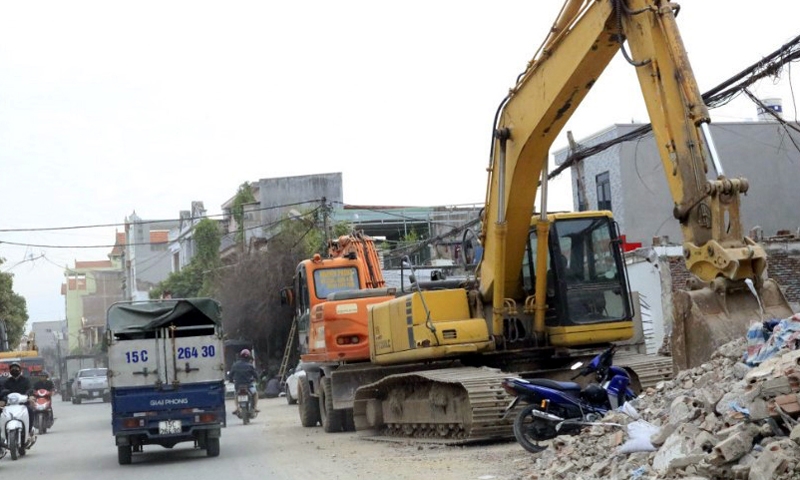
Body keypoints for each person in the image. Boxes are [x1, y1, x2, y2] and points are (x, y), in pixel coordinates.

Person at [3, 362, 35, 436]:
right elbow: (3, 391)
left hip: (23, 403)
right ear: (10, 370)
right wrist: (3, 399)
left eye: (16, 368)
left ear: (20, 370)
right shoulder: (6, 382)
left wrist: (28, 396)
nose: (14, 370)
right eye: (12, 368)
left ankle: (29, 430)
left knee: (30, 410)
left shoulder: (25, 380)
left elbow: (30, 389)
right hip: (9, 405)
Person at [228, 349, 259, 414]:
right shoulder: (250, 366)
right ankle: (255, 407)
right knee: (255, 393)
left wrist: (231, 380)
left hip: (238, 386)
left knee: (236, 394)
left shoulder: (235, 365)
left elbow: (230, 375)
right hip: (249, 385)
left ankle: (237, 408)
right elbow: (256, 375)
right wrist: (257, 379)